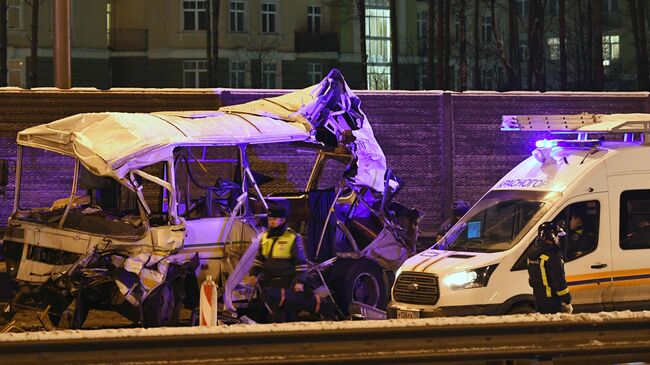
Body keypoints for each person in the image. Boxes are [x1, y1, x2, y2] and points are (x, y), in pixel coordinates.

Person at [249, 203, 309, 321]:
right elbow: (260, 258)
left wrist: (299, 281)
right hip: (269, 281)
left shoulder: (292, 237)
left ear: (282, 220)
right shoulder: (265, 237)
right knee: (271, 313)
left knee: (287, 312)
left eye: (274, 219)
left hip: (286, 281)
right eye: (270, 219)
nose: (271, 222)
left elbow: (301, 262)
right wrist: (253, 273)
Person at [527, 222, 573, 314]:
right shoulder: (552, 256)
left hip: (538, 299)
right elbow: (558, 281)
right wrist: (567, 300)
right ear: (551, 236)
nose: (558, 238)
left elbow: (531, 280)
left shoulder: (532, 254)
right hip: (552, 301)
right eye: (557, 235)